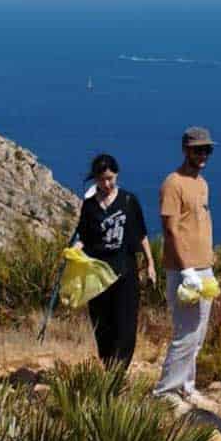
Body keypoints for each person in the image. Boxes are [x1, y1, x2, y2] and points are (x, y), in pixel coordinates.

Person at [153, 126, 218, 408]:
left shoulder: (202, 183)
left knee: (199, 333)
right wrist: (186, 269)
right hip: (185, 270)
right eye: (197, 149)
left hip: (204, 267)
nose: (202, 154)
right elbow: (170, 229)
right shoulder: (173, 183)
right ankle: (165, 391)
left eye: (206, 149)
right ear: (185, 150)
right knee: (185, 333)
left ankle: (186, 387)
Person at [75, 154, 156, 374]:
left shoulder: (129, 201)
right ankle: (109, 365)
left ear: (117, 174)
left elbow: (141, 235)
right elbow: (84, 236)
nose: (107, 184)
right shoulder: (90, 206)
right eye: (102, 180)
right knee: (102, 322)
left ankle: (119, 370)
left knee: (126, 322)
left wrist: (150, 263)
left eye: (110, 178)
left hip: (125, 271)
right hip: (98, 274)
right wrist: (75, 251)